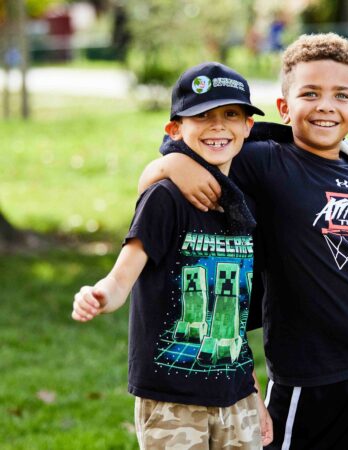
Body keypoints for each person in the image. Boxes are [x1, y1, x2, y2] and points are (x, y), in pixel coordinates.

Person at [138, 33, 348, 450]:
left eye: (341, 95)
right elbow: (169, 167)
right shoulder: (263, 161)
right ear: (284, 108)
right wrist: (175, 161)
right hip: (312, 380)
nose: (326, 105)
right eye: (311, 93)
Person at [72, 62, 274, 449]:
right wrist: (100, 295)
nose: (218, 126)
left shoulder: (245, 203)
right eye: (202, 116)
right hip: (171, 398)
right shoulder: (164, 198)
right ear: (175, 130)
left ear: (248, 126)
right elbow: (122, 277)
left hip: (237, 394)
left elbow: (234, 315)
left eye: (231, 114)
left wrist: (251, 391)